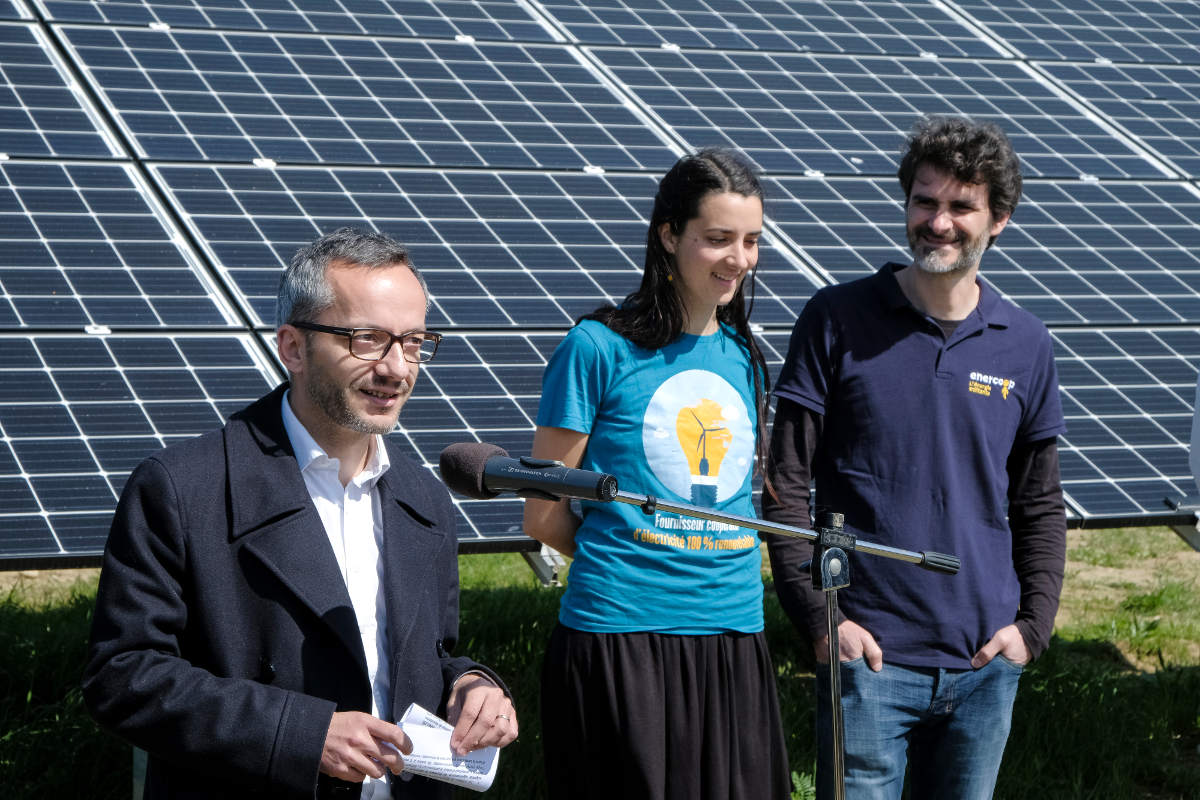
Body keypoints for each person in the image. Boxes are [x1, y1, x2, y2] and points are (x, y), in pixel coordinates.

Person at [83, 227, 518, 800]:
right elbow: (123, 676)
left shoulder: (424, 498)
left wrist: (469, 684)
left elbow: (422, 655)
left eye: (413, 342)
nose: (397, 368)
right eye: (368, 339)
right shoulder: (184, 487)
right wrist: (299, 735)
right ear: (292, 347)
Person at [763, 115, 1067, 799]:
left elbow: (1039, 503)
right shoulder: (836, 319)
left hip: (985, 663)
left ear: (999, 219)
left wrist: (1032, 629)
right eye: (925, 201)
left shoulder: (1025, 343)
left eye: (962, 206)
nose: (939, 222)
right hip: (869, 658)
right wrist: (820, 620)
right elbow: (784, 484)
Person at [523, 147, 790, 800]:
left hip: (734, 634)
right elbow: (542, 513)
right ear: (669, 235)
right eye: (718, 238)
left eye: (751, 240)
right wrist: (641, 555)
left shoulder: (744, 355)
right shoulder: (596, 348)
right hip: (621, 636)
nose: (739, 259)